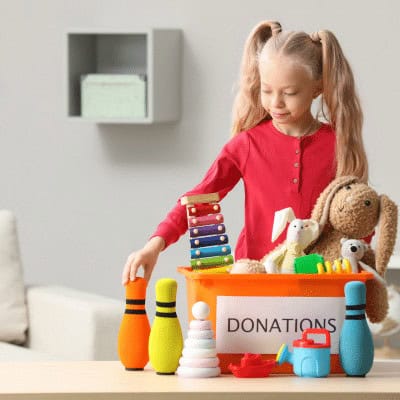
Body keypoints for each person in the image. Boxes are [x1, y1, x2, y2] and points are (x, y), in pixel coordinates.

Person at [122, 20, 368, 285]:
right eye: (267, 90)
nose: (276, 103)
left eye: (290, 92)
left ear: (317, 87)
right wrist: (155, 245)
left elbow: (359, 216)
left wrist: (358, 260)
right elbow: (199, 196)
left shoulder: (337, 143)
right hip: (252, 279)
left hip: (319, 282)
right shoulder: (246, 144)